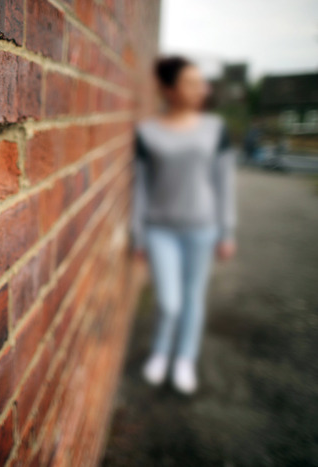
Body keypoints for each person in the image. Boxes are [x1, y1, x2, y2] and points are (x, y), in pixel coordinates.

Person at [130, 55, 237, 395]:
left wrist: (227, 230)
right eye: (190, 82)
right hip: (160, 229)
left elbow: (225, 183)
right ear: (168, 89)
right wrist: (138, 235)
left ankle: (185, 359)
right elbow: (140, 187)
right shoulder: (147, 133)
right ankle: (161, 351)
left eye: (200, 82)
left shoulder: (215, 129)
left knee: (193, 297)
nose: (200, 89)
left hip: (202, 229)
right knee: (170, 300)